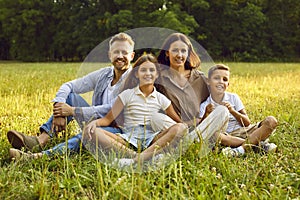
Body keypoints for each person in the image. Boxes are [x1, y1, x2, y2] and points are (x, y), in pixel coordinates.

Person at [8, 32, 136, 159]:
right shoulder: (104, 74)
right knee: (70, 97)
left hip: (119, 130)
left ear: (132, 55)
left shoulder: (134, 80)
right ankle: (40, 141)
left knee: (89, 133)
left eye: (124, 52)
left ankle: (39, 156)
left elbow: (112, 109)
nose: (120, 56)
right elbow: (69, 86)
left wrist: (73, 111)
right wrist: (59, 108)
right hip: (96, 120)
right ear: (110, 55)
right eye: (116, 52)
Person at [83, 54, 187, 167]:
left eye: (152, 70)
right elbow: (107, 120)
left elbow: (177, 122)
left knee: (180, 128)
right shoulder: (126, 95)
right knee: (93, 132)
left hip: (153, 139)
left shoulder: (161, 98)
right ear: (136, 74)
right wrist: (94, 123)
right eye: (143, 70)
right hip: (128, 139)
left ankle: (134, 161)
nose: (148, 73)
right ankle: (142, 158)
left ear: (157, 74)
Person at [154, 33, 229, 151]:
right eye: (175, 50)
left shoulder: (201, 79)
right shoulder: (159, 78)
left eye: (183, 51)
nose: (179, 55)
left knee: (223, 111)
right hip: (175, 128)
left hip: (201, 126)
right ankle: (193, 144)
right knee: (156, 118)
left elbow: (220, 99)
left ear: (188, 54)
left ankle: (187, 144)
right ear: (167, 53)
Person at [200, 64, 278, 157]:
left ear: (228, 84)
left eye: (225, 79)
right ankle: (258, 146)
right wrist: (207, 113)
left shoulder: (233, 98)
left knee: (271, 121)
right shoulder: (205, 104)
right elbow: (202, 129)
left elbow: (247, 123)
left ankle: (240, 149)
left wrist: (233, 111)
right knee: (215, 136)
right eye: (216, 78)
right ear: (208, 81)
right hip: (226, 136)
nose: (221, 82)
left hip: (244, 131)